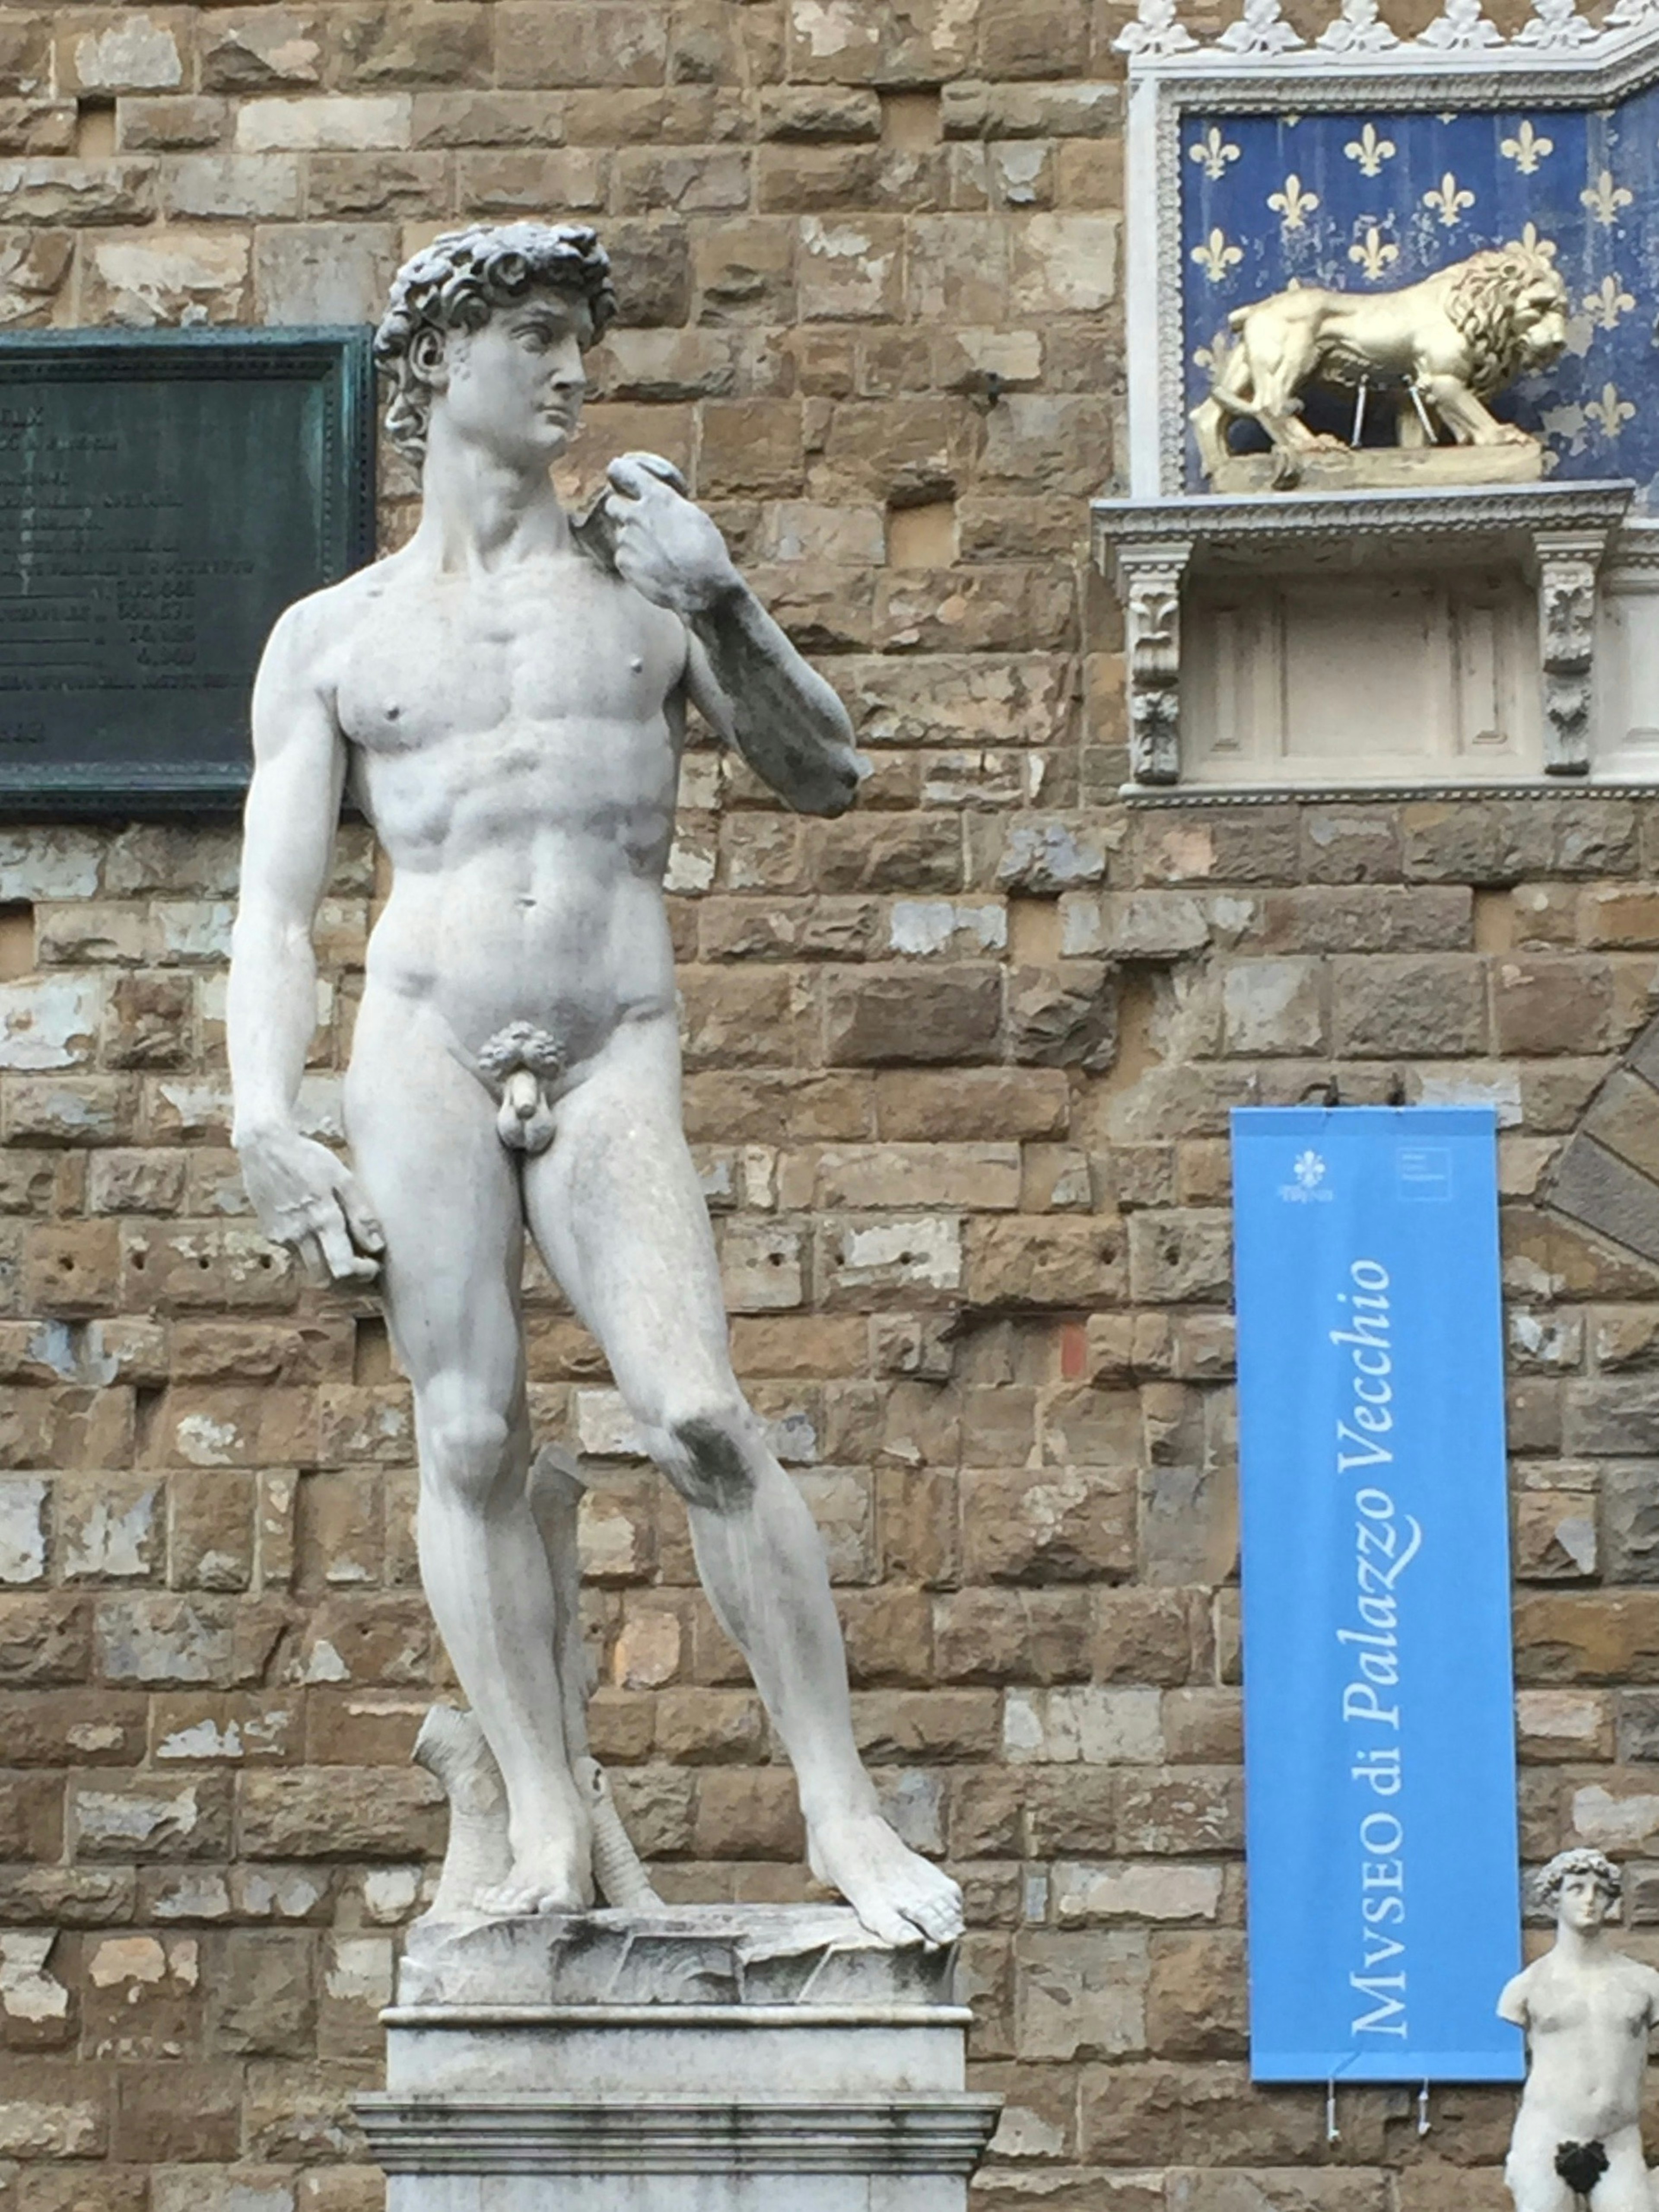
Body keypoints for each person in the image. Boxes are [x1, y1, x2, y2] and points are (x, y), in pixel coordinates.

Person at [226, 221, 964, 1949]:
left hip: (612, 1036)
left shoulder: (649, 589)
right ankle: (547, 1818)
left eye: (583, 339)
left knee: (700, 1414)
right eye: (542, 336)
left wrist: (728, 595)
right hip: (417, 1037)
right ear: (440, 369)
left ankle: (841, 1812)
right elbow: (270, 911)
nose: (575, 371)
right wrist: (267, 1115)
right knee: (471, 1433)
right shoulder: (332, 636)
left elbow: (828, 773)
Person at [1498, 1848, 1659, 2211]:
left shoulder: (1644, 1983)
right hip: (1546, 2136)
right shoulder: (1527, 1987)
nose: (1590, 1899)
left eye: (1600, 1891)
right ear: (1555, 1898)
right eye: (1577, 1888)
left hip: (1617, 2140)